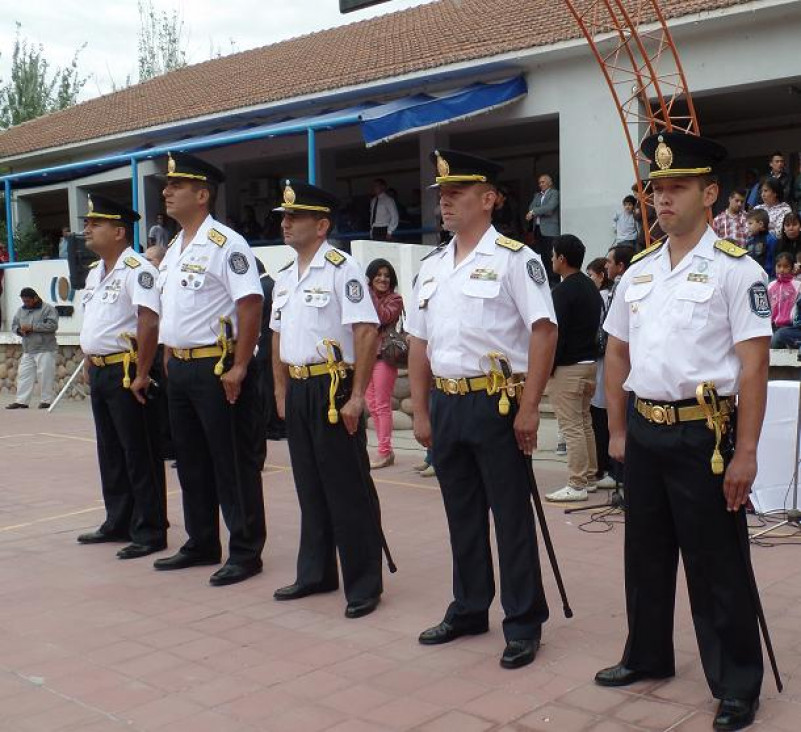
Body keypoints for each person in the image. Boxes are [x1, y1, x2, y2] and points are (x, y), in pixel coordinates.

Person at [596, 131, 771, 732]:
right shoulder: (639, 271)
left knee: (716, 562)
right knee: (643, 553)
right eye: (657, 188)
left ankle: (737, 683)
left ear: (711, 193)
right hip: (645, 430)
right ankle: (646, 654)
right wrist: (617, 431)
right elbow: (616, 352)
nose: (663, 199)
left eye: (677, 187)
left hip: (707, 436)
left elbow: (753, 364)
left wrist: (746, 452)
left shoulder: (735, 270)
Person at [407, 149, 557, 670]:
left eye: (457, 192)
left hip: (497, 401)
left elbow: (544, 330)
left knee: (511, 516)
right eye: (442, 194)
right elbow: (419, 344)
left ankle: (523, 620)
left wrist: (530, 406)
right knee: (461, 515)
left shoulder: (517, 259)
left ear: (489, 198)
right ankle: (470, 606)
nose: (445, 201)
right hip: (447, 403)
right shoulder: (430, 267)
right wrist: (421, 410)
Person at [270, 180, 384, 619]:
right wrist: (280, 390)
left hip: (334, 386)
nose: (285, 223)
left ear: (321, 225)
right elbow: (277, 335)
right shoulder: (285, 278)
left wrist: (358, 395)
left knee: (346, 487)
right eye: (284, 217)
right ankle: (316, 571)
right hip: (298, 386)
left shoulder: (342, 268)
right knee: (309, 484)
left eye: (293, 217)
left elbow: (366, 331)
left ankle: (363, 583)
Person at [153, 152, 266, 587]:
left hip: (217, 368)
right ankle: (201, 541)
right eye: (167, 185)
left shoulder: (226, 243)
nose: (166, 191)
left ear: (202, 195)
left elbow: (250, 303)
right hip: (180, 368)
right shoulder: (176, 248)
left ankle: (245, 550)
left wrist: (241, 365)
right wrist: (167, 354)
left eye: (175, 186)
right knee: (191, 460)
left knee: (232, 461)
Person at [75, 194, 167, 558]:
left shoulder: (138, 269)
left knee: (138, 451)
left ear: (118, 231)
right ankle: (118, 520)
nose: (87, 229)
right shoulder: (95, 272)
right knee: (110, 450)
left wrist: (143, 372)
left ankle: (150, 529)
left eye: (95, 224)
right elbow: (96, 322)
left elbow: (149, 320)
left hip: (127, 368)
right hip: (100, 369)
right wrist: (88, 359)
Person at [544, 235, 603, 502]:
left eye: (554, 254)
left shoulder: (563, 291)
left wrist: (548, 368)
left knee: (572, 427)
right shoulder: (591, 287)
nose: (551, 259)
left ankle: (577, 483)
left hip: (569, 367)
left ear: (562, 259)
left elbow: (557, 334)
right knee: (584, 423)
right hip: (589, 364)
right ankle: (589, 477)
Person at [364, 258, 404, 469]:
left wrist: (368, 293)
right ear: (371, 277)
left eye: (387, 276)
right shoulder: (364, 297)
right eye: (378, 275)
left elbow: (381, 317)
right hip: (366, 357)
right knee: (371, 405)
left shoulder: (395, 299)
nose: (382, 279)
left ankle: (385, 451)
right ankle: (383, 448)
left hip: (384, 357)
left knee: (382, 404)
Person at [585, 257, 615, 487]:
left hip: (604, 359)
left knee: (601, 413)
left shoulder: (603, 297)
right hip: (601, 359)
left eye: (592, 275)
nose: (590, 280)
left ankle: (604, 465)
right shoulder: (601, 296)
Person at [7, 288, 58, 410]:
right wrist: (19, 331)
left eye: (28, 301)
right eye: (24, 301)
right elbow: (14, 325)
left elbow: (53, 326)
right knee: (24, 375)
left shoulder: (48, 309)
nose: (26, 303)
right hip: (28, 348)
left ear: (35, 298)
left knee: (45, 375)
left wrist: (32, 327)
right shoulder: (21, 311)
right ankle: (21, 401)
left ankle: (46, 401)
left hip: (45, 348)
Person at [254, 257, 285, 445]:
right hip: (274, 343)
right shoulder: (272, 284)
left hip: (265, 344)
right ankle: (279, 425)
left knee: (266, 388)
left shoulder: (261, 288)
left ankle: (272, 426)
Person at [526, 173, 560, 286]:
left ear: (549, 183)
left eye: (543, 182)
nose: (540, 184)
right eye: (539, 183)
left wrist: (535, 212)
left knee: (551, 256)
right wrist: (539, 210)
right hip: (538, 230)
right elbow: (531, 207)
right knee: (542, 256)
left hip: (550, 231)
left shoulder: (554, 193)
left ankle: (554, 281)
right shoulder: (537, 195)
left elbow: (550, 208)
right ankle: (545, 279)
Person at [768, 252, 800, 330]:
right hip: (771, 325)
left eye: (786, 266)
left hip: (789, 326)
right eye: (779, 266)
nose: (782, 270)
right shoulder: (770, 285)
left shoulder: (798, 285)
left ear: (792, 268)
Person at [744, 209, 777, 275]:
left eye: (750, 223)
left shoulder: (771, 240)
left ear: (761, 224)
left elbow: (774, 261)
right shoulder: (749, 241)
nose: (747, 226)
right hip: (750, 275)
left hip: (767, 276)